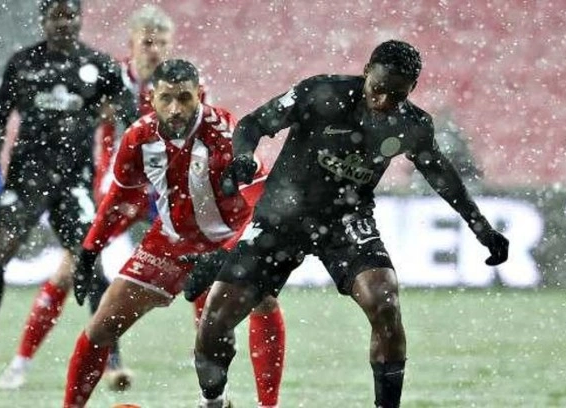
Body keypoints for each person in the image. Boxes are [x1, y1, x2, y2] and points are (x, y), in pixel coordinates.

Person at [193, 39, 510, 408]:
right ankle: (214, 401)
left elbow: (442, 176)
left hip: (346, 221)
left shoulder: (412, 124)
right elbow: (254, 123)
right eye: (378, 89)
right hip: (281, 219)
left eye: (397, 95)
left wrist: (481, 227)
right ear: (366, 73)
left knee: (385, 301)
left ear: (412, 89)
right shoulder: (321, 93)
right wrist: (243, 156)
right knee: (215, 321)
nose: (384, 102)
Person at [62, 59, 285, 408]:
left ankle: (264, 405)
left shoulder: (226, 133)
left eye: (184, 98)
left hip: (228, 240)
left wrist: (229, 252)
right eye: (166, 98)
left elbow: (265, 201)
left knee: (262, 299)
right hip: (170, 242)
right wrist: (90, 251)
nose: (175, 108)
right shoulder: (139, 137)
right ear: (151, 98)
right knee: (101, 327)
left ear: (200, 95)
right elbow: (119, 199)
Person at [0, 0, 138, 389]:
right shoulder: (23, 63)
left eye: (70, 16)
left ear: (80, 19)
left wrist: (137, 161)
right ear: (44, 20)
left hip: (74, 182)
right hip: (26, 180)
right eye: (56, 16)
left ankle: (111, 357)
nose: (64, 23)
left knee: (91, 265)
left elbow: (131, 117)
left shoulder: (99, 65)